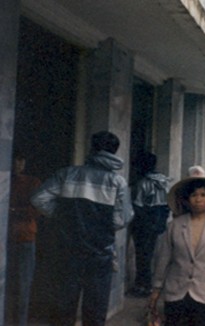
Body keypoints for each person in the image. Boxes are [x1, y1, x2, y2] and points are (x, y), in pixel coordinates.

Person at [31, 130, 133, 326]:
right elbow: (122, 219)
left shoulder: (67, 173)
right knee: (95, 309)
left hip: (67, 250)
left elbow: (38, 199)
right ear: (115, 151)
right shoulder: (117, 182)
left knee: (63, 307)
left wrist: (63, 218)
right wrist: (99, 227)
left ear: (92, 148)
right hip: (100, 252)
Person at [150, 175, 205, 326]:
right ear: (187, 199)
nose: (198, 200)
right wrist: (156, 289)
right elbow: (163, 259)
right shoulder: (175, 226)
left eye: (203, 195)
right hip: (176, 291)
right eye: (194, 195)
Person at [5, 153, 41, 326]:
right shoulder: (5, 181)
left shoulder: (32, 183)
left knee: (22, 287)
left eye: (21, 160)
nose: (17, 164)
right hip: (8, 239)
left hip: (24, 239)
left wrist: (11, 211)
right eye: (15, 160)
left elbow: (35, 210)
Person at [130, 152, 171, 297]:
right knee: (152, 253)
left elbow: (138, 206)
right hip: (160, 219)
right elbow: (169, 203)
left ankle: (143, 285)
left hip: (144, 220)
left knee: (143, 255)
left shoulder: (143, 183)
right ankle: (150, 283)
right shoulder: (165, 181)